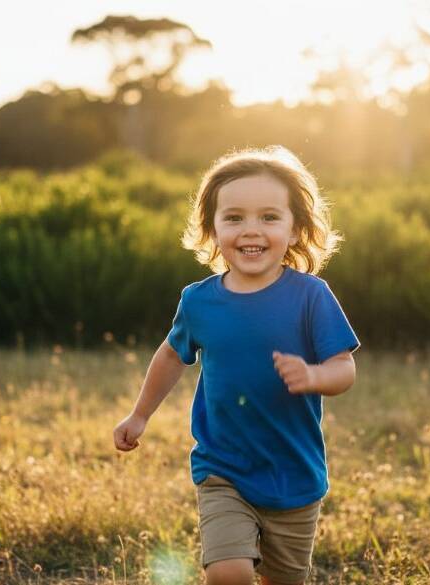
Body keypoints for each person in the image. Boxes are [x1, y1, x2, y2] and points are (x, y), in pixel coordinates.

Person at [113, 145, 360, 585]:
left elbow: (344, 368)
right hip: (223, 469)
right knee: (228, 572)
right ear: (211, 227)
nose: (251, 230)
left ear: (295, 227)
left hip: (294, 475)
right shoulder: (199, 301)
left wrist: (315, 376)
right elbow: (172, 354)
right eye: (234, 218)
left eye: (269, 217)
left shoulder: (311, 296)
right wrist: (140, 414)